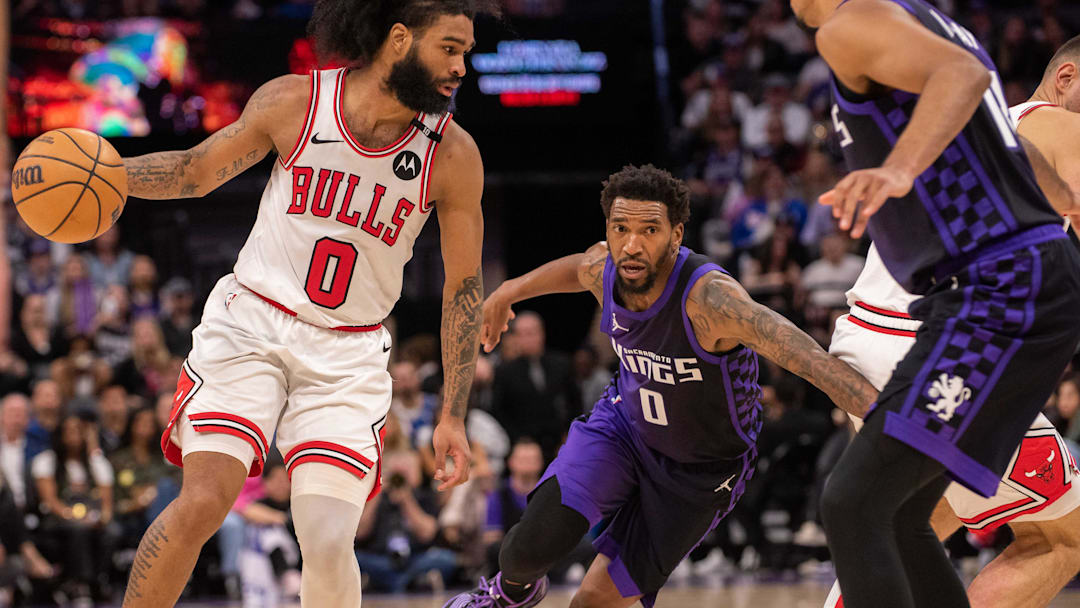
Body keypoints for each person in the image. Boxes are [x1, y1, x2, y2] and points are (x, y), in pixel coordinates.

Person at [117, 1, 497, 605]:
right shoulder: (296, 102)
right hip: (252, 324)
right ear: (400, 39)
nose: (461, 68)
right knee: (203, 502)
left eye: (466, 54)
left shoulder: (452, 155)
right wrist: (109, 175)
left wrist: (452, 413)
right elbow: (194, 171)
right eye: (449, 48)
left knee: (324, 537)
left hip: (347, 354)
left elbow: (463, 292)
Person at [444, 164, 877, 608]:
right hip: (624, 430)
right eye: (620, 228)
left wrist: (888, 419)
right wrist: (507, 292)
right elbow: (577, 268)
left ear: (676, 235)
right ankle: (505, 597)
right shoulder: (605, 267)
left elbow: (809, 360)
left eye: (649, 229)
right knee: (522, 552)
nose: (631, 245)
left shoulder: (710, 300)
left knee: (590, 602)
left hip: (702, 469)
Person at [791, 1, 1080, 607]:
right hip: (944, 321)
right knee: (893, 514)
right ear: (1066, 77)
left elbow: (965, 81)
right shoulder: (925, 25)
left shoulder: (860, 27)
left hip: (922, 319)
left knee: (890, 516)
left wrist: (897, 170)